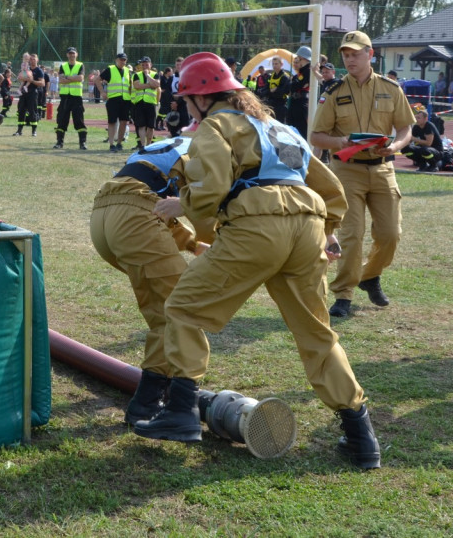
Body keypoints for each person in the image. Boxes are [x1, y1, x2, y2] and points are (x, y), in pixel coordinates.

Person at [133, 51, 381, 470]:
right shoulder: (281, 127)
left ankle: (180, 412)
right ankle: (361, 437)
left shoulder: (216, 125)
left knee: (182, 307)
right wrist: (326, 229)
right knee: (317, 335)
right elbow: (330, 188)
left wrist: (185, 205)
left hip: (256, 226)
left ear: (202, 99)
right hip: (307, 228)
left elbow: (209, 189)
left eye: (187, 101)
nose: (187, 109)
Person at [90, 136, 215, 424]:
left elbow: (154, 203)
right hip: (136, 215)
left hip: (104, 212)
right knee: (179, 309)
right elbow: (203, 201)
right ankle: (150, 402)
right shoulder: (216, 147)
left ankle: (163, 388)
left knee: (168, 306)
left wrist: (192, 243)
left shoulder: (182, 142)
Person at [309, 30, 414, 318]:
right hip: (347, 169)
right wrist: (341, 142)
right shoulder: (334, 92)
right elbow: (317, 136)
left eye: (355, 54)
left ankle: (370, 276)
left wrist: (395, 146)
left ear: (370, 54)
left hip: (382, 169)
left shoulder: (392, 89)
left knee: (391, 234)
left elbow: (406, 128)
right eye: (345, 54)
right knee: (352, 234)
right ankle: (343, 294)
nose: (349, 59)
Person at [53, 47, 87, 149]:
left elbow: (81, 78)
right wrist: (74, 78)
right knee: (62, 119)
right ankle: (59, 142)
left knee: (79, 120)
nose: (72, 55)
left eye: (73, 53)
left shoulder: (80, 65)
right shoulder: (63, 66)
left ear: (76, 54)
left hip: (76, 97)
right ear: (67, 55)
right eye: (70, 53)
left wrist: (67, 77)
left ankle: (82, 143)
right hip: (65, 97)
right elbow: (61, 80)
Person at [101, 52, 132, 151]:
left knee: (123, 121)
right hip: (113, 99)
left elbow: (130, 85)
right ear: (116, 60)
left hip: (125, 100)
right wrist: (102, 92)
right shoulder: (110, 69)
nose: (123, 61)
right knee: (112, 122)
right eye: (121, 59)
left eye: (124, 60)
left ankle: (119, 143)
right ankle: (111, 144)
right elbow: (98, 80)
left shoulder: (128, 71)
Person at [130, 56, 160, 150]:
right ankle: (143, 146)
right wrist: (149, 85)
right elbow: (137, 86)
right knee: (141, 125)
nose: (144, 66)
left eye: (146, 64)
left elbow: (156, 85)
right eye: (143, 64)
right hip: (139, 102)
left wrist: (147, 76)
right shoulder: (136, 75)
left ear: (150, 65)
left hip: (151, 102)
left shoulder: (155, 74)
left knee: (150, 126)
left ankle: (149, 145)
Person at [403, 106, 442, 171]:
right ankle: (422, 165)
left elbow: (428, 143)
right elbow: (409, 140)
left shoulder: (429, 126)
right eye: (415, 117)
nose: (416, 119)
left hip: (437, 151)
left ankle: (434, 166)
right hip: (423, 149)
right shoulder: (416, 127)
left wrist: (413, 138)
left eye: (418, 118)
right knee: (405, 149)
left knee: (424, 150)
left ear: (425, 119)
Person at [13, 54, 42, 136]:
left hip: (32, 93)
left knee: (32, 111)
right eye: (31, 59)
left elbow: (42, 83)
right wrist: (21, 78)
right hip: (23, 93)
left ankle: (34, 131)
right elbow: (19, 78)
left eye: (34, 59)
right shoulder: (25, 68)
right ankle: (19, 130)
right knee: (21, 111)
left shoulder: (39, 70)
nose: (32, 60)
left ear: (37, 60)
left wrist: (32, 81)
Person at [289, 46, 313, 139]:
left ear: (302, 58)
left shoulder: (308, 71)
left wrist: (295, 85)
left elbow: (296, 86)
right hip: (295, 102)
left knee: (301, 130)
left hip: (301, 103)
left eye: (298, 57)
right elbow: (292, 87)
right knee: (292, 129)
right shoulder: (302, 71)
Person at [258, 56, 291, 124]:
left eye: (276, 64)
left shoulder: (285, 77)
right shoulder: (271, 76)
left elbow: (282, 92)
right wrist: (271, 90)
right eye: (273, 64)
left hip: (281, 104)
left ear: (281, 64)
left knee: (280, 125)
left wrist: (272, 91)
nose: (274, 66)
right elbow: (266, 89)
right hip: (271, 104)